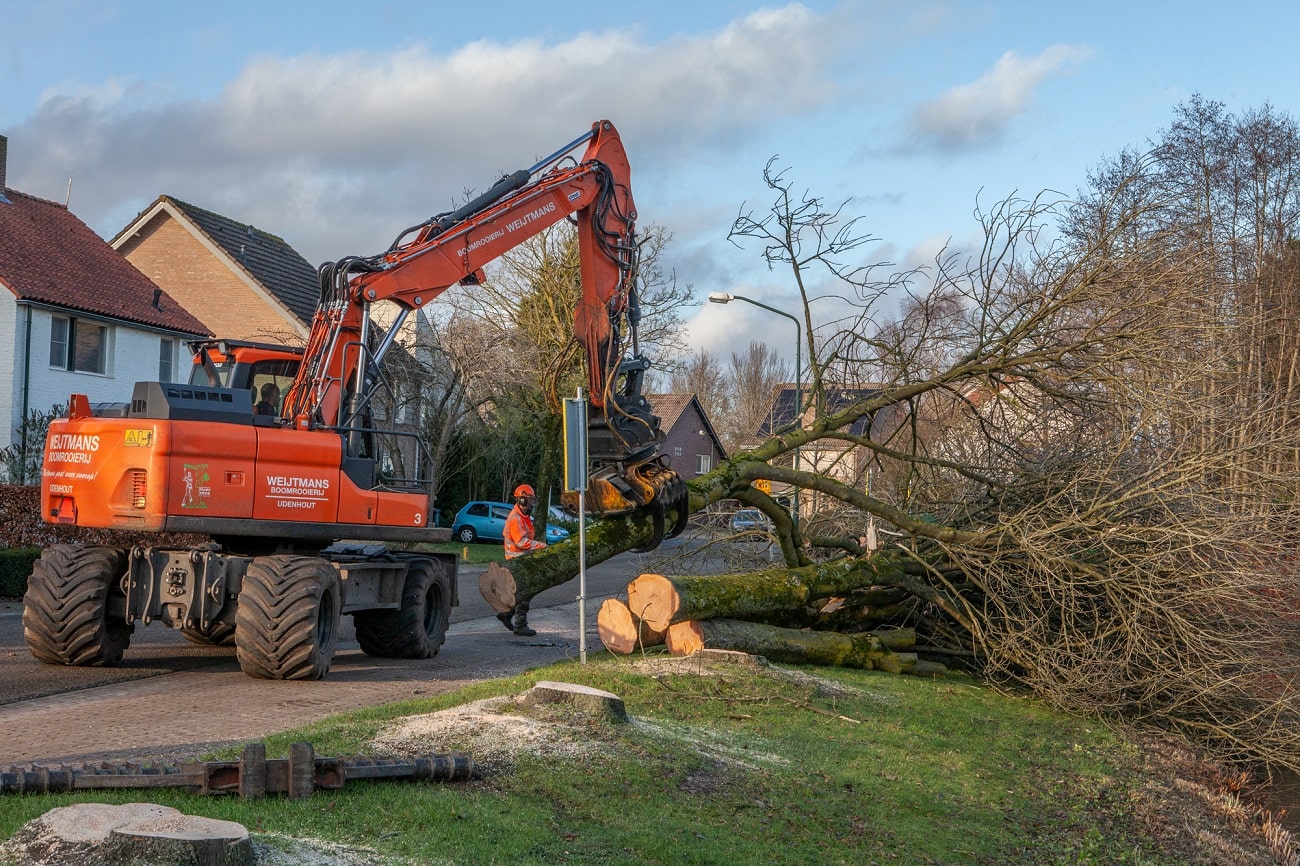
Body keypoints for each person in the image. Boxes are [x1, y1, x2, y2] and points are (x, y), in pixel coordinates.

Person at [499, 483, 547, 636]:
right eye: (529, 500)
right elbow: (521, 542)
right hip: (516, 560)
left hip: (520, 559)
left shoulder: (523, 517)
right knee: (525, 593)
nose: (531, 504)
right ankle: (520, 624)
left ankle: (506, 613)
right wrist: (541, 546)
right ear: (522, 500)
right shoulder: (516, 519)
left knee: (521, 592)